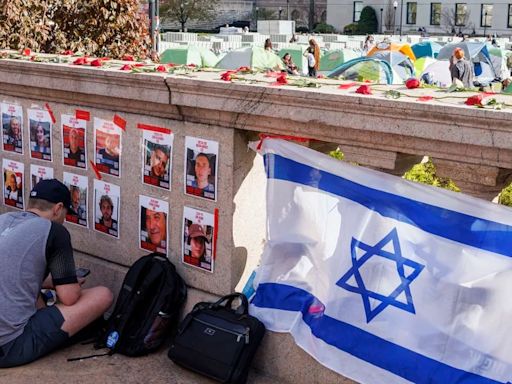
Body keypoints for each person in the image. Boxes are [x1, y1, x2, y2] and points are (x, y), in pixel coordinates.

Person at [0, 179, 113, 368]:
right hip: (8, 346)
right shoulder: (54, 230)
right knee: (103, 295)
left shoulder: (4, 220)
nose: (64, 219)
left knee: (35, 293)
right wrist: (70, 283)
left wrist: (53, 282)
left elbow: (14, 272)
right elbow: (69, 297)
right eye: (66, 214)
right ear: (58, 208)